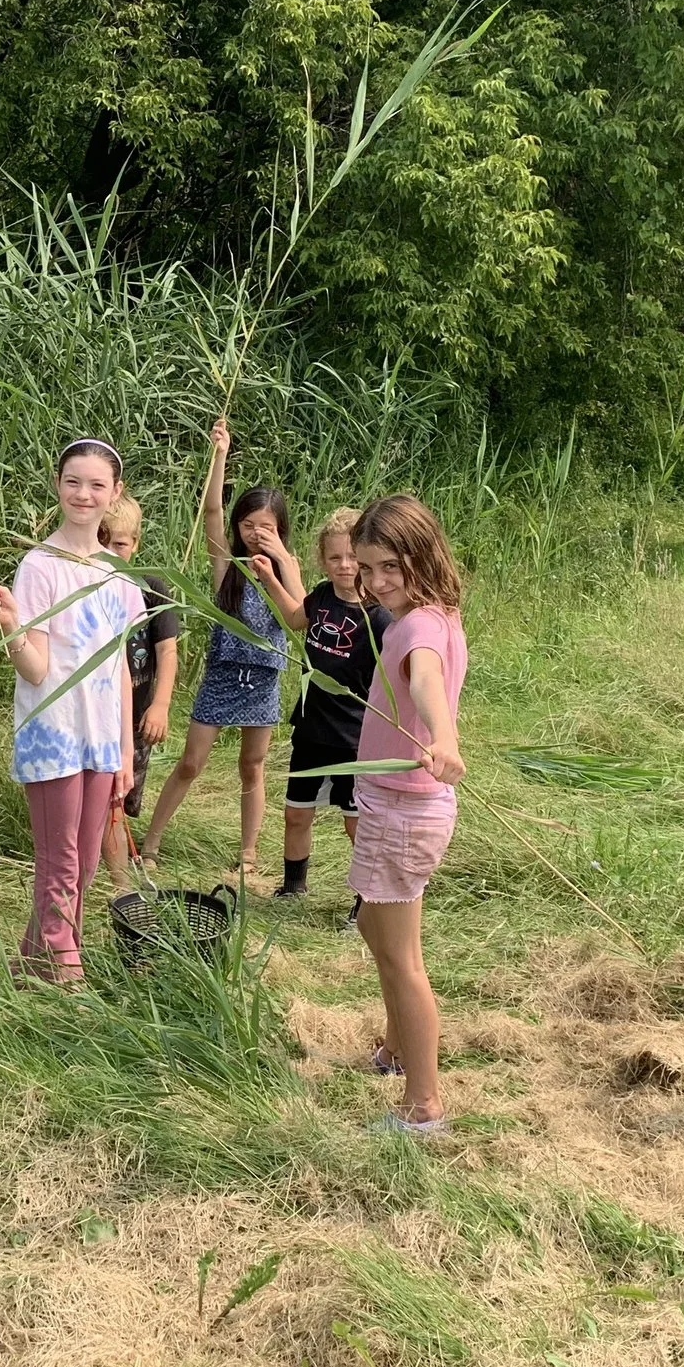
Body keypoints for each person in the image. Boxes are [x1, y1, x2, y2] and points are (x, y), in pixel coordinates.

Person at [0, 440, 143, 980]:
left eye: (97, 485)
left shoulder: (118, 574)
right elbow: (35, 670)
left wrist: (124, 749)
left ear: (114, 493)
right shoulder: (39, 567)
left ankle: (34, 953)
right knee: (61, 859)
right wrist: (10, 626)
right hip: (53, 733)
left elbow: (119, 668)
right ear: (58, 484)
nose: (83, 494)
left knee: (88, 863)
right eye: (73, 481)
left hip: (100, 739)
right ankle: (64, 968)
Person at [133, 417, 304, 882]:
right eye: (248, 525)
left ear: (281, 529)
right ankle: (150, 843)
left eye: (265, 527)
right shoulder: (228, 566)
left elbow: (303, 614)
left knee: (253, 766)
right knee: (191, 761)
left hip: (264, 678)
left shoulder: (287, 566)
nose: (255, 534)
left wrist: (282, 562)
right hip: (224, 674)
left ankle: (248, 855)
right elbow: (211, 515)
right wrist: (220, 455)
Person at [350, 494, 468, 1136]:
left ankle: (423, 1107)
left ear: (421, 555)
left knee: (402, 960)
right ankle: (396, 1048)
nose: (377, 582)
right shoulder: (437, 613)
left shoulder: (420, 628)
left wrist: (442, 736)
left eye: (391, 565)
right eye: (368, 569)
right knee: (377, 929)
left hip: (404, 808)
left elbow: (425, 680)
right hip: (396, 804)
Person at [278, 507, 389, 900]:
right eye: (334, 557)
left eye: (352, 558)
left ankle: (367, 901)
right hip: (310, 730)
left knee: (356, 824)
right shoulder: (322, 597)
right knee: (296, 814)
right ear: (322, 560)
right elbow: (294, 617)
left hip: (354, 741)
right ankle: (293, 887)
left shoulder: (379, 618)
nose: (345, 566)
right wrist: (270, 575)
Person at [99, 496, 180, 878]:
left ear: (136, 543)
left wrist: (161, 704)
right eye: (104, 541)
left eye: (120, 544)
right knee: (108, 797)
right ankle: (117, 880)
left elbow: (167, 651)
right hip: (98, 712)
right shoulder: (87, 587)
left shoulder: (152, 588)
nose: (111, 552)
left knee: (126, 796)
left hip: (137, 713)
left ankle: (116, 862)